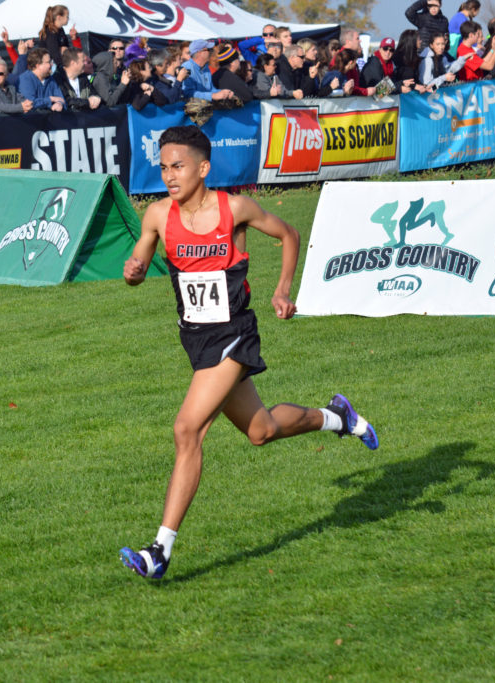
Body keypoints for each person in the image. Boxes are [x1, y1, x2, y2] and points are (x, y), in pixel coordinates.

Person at [118, 125, 378, 580]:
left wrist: (282, 290)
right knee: (262, 431)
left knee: (187, 430)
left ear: (203, 167)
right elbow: (138, 265)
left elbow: (289, 234)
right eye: (163, 167)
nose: (169, 175)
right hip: (196, 339)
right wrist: (134, 272)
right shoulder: (158, 215)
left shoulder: (234, 209)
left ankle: (159, 551)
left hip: (234, 334)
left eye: (178, 166)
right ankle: (337, 416)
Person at [91, 38, 127, 107]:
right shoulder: (101, 76)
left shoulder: (126, 69)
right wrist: (123, 84)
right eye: (115, 48)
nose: (118, 50)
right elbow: (109, 101)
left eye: (121, 48)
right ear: (109, 51)